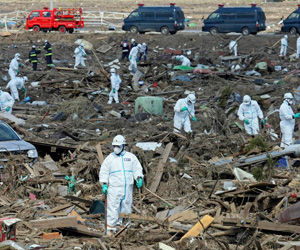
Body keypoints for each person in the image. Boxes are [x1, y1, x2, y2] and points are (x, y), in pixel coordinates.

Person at [99, 135, 143, 235]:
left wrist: (139, 178)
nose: (116, 148)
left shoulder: (131, 157)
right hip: (114, 188)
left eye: (118, 146)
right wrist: (104, 184)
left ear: (123, 146)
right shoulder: (110, 159)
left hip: (127, 188)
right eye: (114, 146)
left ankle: (125, 230)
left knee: (126, 208)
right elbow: (104, 172)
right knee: (113, 209)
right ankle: (111, 230)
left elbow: (137, 168)